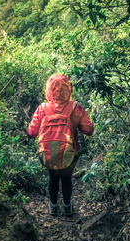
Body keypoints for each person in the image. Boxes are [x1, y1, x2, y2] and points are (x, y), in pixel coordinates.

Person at [28, 74, 94, 216]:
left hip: (48, 152)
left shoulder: (42, 108)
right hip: (70, 151)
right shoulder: (75, 108)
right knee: (66, 178)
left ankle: (53, 207)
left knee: (53, 177)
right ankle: (67, 207)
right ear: (69, 88)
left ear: (48, 90)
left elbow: (32, 132)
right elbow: (89, 130)